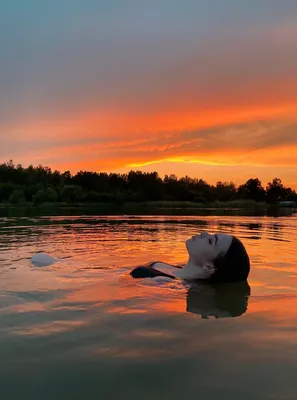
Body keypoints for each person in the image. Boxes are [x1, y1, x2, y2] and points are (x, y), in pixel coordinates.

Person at [131, 231, 250, 283]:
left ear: (209, 267)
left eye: (210, 241)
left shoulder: (160, 281)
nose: (204, 233)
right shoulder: (176, 271)